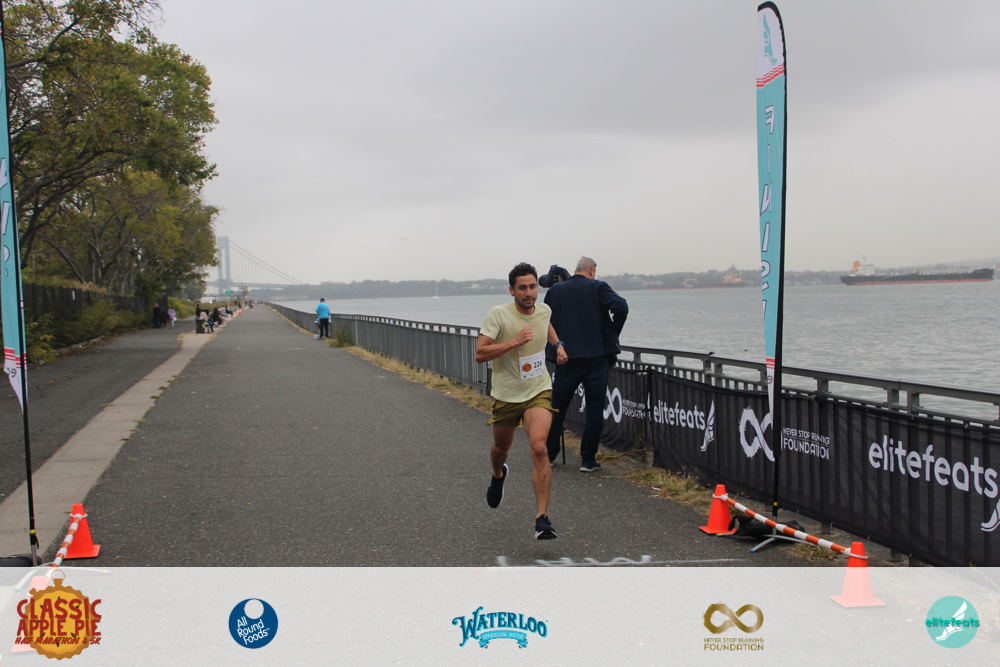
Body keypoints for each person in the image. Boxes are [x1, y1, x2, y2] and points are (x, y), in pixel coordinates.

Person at [475, 262, 568, 539]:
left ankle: (542, 519)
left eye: (532, 287)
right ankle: (498, 474)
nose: (529, 293)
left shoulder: (544, 310)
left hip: (538, 389)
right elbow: (480, 353)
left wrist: (558, 345)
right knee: (500, 448)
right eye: (523, 288)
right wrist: (514, 342)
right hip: (507, 394)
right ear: (512, 290)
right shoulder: (499, 314)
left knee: (539, 447)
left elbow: (545, 324)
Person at [544, 256, 629, 472]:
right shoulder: (598, 287)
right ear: (592, 271)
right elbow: (621, 307)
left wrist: (556, 345)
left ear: (576, 270)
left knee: (557, 407)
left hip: (566, 357)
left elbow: (544, 320)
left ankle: (549, 455)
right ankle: (588, 460)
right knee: (594, 409)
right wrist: (611, 334)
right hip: (596, 357)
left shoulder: (556, 291)